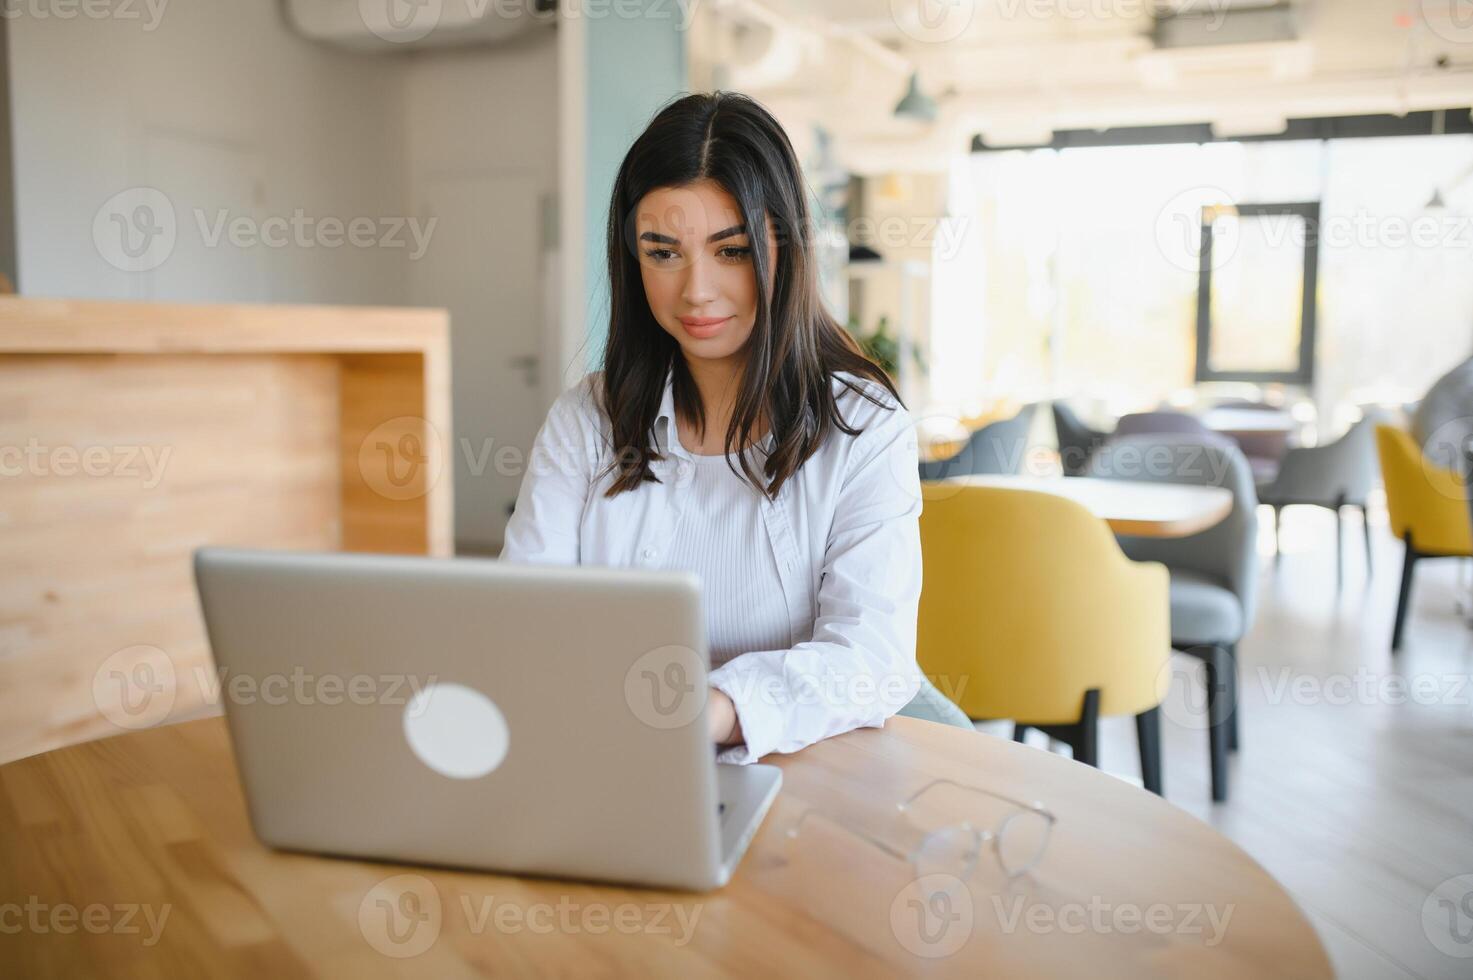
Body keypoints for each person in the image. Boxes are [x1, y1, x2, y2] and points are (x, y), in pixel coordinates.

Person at [499, 91, 925, 763]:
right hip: (606, 760)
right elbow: (523, 620)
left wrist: (713, 711)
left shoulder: (863, 428)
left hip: (801, 772)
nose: (695, 290)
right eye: (663, 253)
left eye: (730, 251)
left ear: (785, 249)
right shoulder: (586, 420)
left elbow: (872, 655)